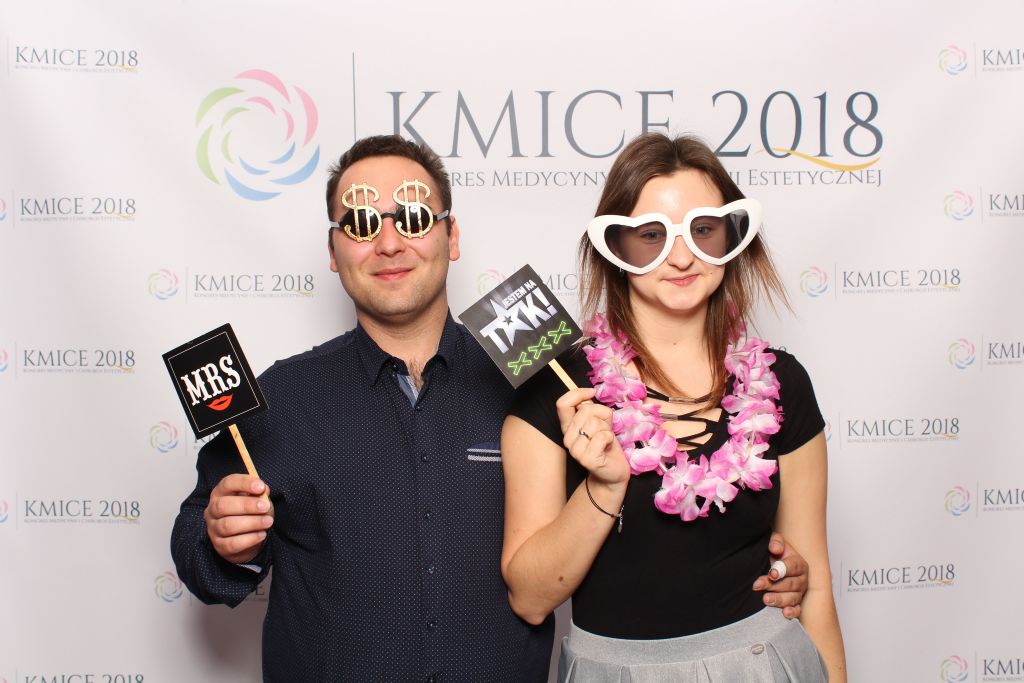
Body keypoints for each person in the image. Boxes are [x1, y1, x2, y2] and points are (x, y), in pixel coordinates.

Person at [170, 134, 813, 682]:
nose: (390, 243)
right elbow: (198, 549)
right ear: (333, 252)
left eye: (414, 218)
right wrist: (223, 545)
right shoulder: (281, 397)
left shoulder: (544, 383)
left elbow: (635, 536)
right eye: (362, 225)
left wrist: (762, 569)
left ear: (451, 237)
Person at [501, 133, 847, 681]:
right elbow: (530, 598)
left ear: (731, 237)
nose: (682, 256)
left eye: (703, 230)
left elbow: (816, 585)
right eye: (651, 235)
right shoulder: (559, 392)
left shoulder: (783, 383)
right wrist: (603, 488)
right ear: (614, 247)